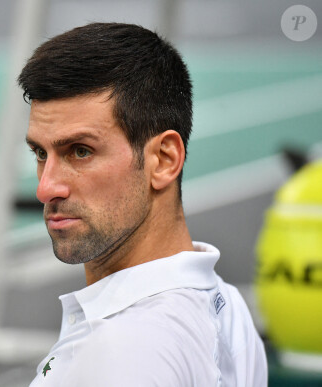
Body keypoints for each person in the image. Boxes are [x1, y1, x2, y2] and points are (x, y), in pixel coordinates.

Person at [18, 23, 267, 386]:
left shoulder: (124, 353)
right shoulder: (225, 306)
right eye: (41, 152)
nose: (45, 188)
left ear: (164, 160)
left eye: (81, 151)